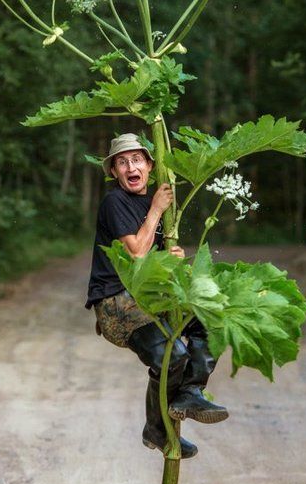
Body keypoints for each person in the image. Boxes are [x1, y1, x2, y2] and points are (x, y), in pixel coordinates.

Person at [86, 133, 228, 459]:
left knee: (211, 321)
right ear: (113, 172)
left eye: (137, 159)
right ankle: (156, 428)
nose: (130, 167)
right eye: (122, 162)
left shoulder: (154, 208)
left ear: (150, 166)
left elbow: (152, 261)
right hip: (115, 303)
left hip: (148, 299)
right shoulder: (115, 203)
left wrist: (171, 257)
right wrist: (156, 209)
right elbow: (136, 253)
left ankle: (191, 392)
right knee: (172, 354)